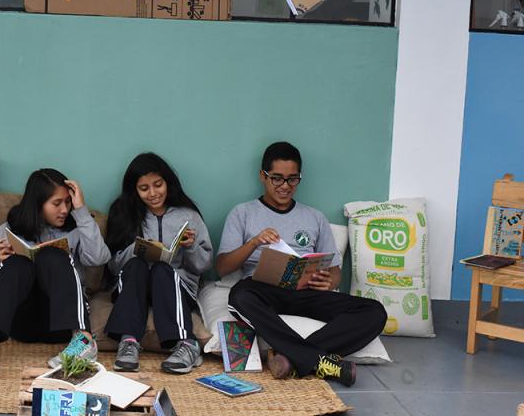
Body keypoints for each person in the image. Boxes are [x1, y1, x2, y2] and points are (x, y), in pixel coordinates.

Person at [216, 142, 386, 387]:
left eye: (292, 179)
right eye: (277, 179)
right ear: (262, 176)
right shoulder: (243, 213)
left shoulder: (314, 217)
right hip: (263, 291)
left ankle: (291, 357)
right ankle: (317, 361)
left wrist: (330, 281)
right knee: (239, 297)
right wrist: (253, 243)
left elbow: (335, 271)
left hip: (306, 293)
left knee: (374, 312)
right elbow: (222, 267)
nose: (285, 187)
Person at [0, 168, 111, 375]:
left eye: (67, 202)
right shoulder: (9, 229)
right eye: (57, 203)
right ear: (37, 204)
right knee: (18, 264)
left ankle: (84, 341)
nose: (64, 210)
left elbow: (99, 258)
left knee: (51, 255)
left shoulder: (77, 230)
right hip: (21, 323)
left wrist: (81, 210)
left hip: (63, 323)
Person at [104, 153, 213, 374]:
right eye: (144, 188)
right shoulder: (124, 214)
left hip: (176, 287)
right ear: (134, 190)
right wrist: (135, 249)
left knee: (163, 269)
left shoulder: (188, 216)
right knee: (136, 266)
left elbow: (204, 266)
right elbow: (113, 267)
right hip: (135, 286)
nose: (153, 194)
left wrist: (190, 247)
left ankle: (186, 344)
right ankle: (129, 342)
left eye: (158, 185)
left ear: (168, 182)